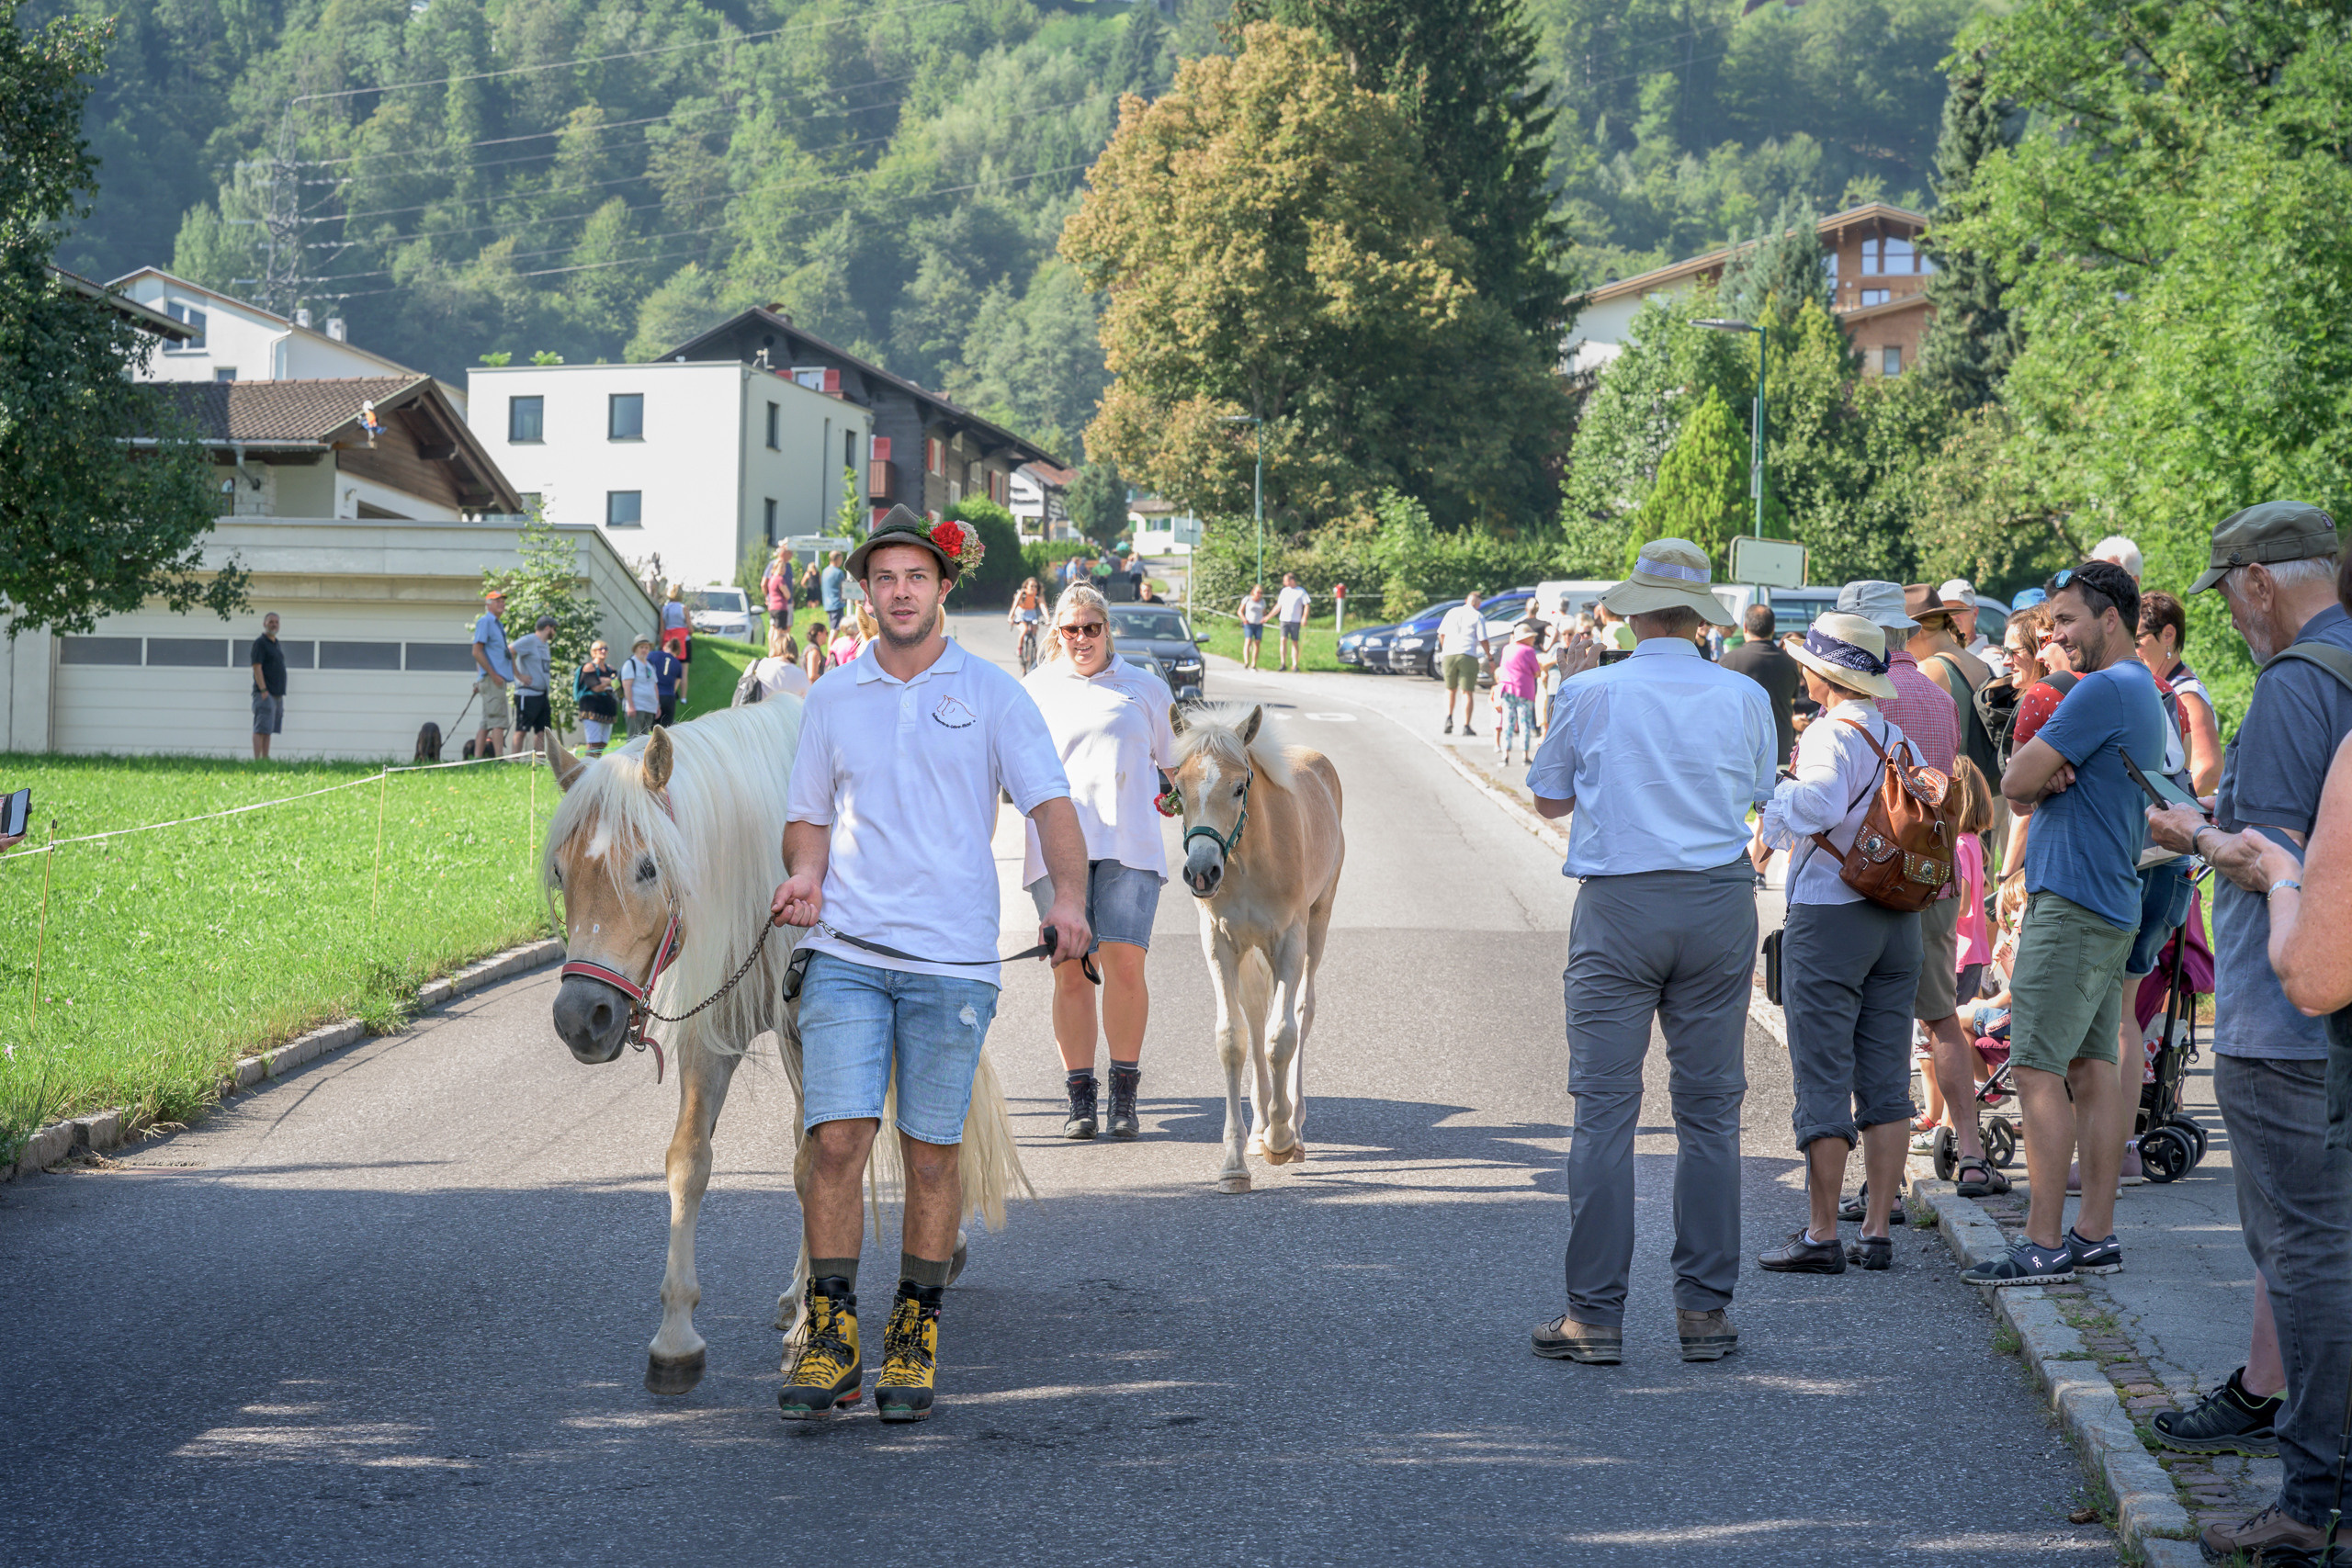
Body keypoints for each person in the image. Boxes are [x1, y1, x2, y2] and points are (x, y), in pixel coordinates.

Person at [769, 503, 1091, 1425]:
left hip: (952, 962)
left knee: (933, 1153)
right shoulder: (831, 695)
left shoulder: (992, 693)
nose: (899, 592)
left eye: (915, 578)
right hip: (846, 954)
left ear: (943, 588)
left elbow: (1050, 805)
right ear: (863, 593)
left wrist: (1067, 900)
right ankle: (829, 1341)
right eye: (883, 579)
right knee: (834, 1141)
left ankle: (913, 1340)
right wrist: (803, 875)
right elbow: (809, 817)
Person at [2141, 502, 2351, 1565]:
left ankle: (2311, 1499)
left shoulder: (2296, 685)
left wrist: (2192, 832)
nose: (2232, 619)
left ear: (2260, 582)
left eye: (2229, 598)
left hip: (2286, 1023)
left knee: (2306, 1260)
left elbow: (2273, 855)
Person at [1525, 538, 1776, 1367]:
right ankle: (1704, 1309)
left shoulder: (1592, 689)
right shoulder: (1743, 694)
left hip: (1621, 903)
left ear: (1632, 612)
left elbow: (1549, 794)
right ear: (1700, 615)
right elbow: (1763, 795)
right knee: (1711, 1114)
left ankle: (1593, 1315)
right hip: (1715, 899)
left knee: (1604, 1111)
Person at [1962, 559, 2167, 1288]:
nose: (2057, 635)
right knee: (2091, 1067)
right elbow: (2028, 785)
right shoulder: (2141, 688)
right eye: (2051, 624)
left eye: (2069, 620)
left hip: (2074, 897)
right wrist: (2043, 772)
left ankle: (2043, 1239)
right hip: (2109, 895)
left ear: (2112, 617)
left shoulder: (2101, 689)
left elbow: (2014, 782)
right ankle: (2093, 1233)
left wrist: (2038, 769)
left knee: (2038, 1067)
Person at [1749, 612, 1922, 1275]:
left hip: (1833, 912)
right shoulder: (1895, 736)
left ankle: (1822, 1232)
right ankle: (1876, 1227)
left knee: (1822, 1071)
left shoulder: (1827, 734)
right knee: (1885, 1074)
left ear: (1823, 674)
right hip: (1895, 916)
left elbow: (1817, 805)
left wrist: (1776, 805)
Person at [1023, 582, 1178, 1142]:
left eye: (1092, 627)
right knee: (1070, 972)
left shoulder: (1146, 688)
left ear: (1108, 629)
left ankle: (1125, 1097)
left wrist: (1188, 810)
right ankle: (1080, 1097)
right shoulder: (1033, 691)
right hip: (1052, 849)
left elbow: (1179, 765)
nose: (1082, 638)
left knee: (1124, 965)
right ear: (1055, 633)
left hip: (1130, 846)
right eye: (1071, 629)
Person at [1842, 581, 1978, 1195]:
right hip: (1933, 873)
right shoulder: (1936, 692)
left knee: (1875, 1026)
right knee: (1941, 1014)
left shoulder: (1858, 694)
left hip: (1872, 876)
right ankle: (1972, 1152)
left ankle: (1883, 1185)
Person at [2136, 591, 2224, 795]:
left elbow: (2209, 770)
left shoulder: (2186, 695)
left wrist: (2169, 811)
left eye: (2137, 641)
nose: (2132, 651)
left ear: (2168, 635)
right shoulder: (2166, 688)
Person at [1721, 604, 1802, 768]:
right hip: (1779, 749)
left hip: (1740, 751)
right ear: (1773, 628)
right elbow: (1793, 700)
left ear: (1744, 627)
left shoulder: (1728, 661)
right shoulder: (1789, 662)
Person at [1438, 589, 1490, 737]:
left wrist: (1446, 648)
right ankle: (1466, 725)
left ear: (1467, 600)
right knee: (1467, 691)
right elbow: (1483, 639)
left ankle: (1448, 717)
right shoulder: (1478, 616)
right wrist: (1489, 658)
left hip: (1449, 653)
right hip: (1467, 653)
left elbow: (1441, 634)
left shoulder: (1452, 612)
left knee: (1450, 689)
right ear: (1478, 603)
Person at [471, 589, 514, 759]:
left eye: (503, 600)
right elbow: (476, 651)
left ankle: (476, 759)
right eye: (497, 601)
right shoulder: (486, 621)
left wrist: (481, 678)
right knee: (498, 721)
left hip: (491, 679)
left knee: (486, 722)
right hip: (493, 679)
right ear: (488, 605)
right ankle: (499, 759)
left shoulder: (497, 624)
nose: (502, 603)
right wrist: (492, 675)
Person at [1494, 621, 1542, 763]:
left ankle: (1505, 755)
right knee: (1524, 723)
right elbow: (1537, 672)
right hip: (1524, 690)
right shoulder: (1529, 651)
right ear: (1525, 638)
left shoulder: (1507, 649)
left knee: (1508, 722)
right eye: (1531, 637)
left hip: (1507, 689)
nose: (1533, 639)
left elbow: (1502, 668)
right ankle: (1525, 755)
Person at [510, 615, 556, 756]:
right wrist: (518, 675)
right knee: (522, 730)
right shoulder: (529, 640)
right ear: (547, 628)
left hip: (542, 695)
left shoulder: (545, 644)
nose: (555, 633)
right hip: (527, 694)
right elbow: (509, 650)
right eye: (554, 629)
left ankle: (539, 762)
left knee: (542, 731)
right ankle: (515, 763)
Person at [249, 611, 286, 760]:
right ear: (265, 624)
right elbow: (257, 667)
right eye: (271, 621)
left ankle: (265, 759)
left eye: (276, 622)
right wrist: (263, 690)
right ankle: (257, 759)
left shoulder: (276, 644)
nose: (274, 624)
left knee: (268, 729)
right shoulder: (260, 643)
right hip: (265, 692)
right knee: (260, 728)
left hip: (277, 694)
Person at [743, 623, 809, 703]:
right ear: (794, 651)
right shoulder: (800, 674)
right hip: (785, 714)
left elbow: (743, 687)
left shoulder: (756, 665)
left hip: (755, 712)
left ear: (773, 648)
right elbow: (807, 700)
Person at [574, 640, 618, 757]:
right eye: (600, 649)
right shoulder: (589, 667)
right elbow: (596, 688)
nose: (603, 651)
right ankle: (586, 767)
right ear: (593, 652)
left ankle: (595, 766)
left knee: (603, 743)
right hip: (592, 708)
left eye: (605, 648)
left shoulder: (610, 669)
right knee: (593, 743)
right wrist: (609, 682)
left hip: (607, 708)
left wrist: (604, 682)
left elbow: (617, 685)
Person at [618, 635, 662, 740]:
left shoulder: (650, 665)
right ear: (636, 649)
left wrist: (657, 705)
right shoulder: (630, 664)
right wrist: (631, 706)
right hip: (636, 707)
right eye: (641, 647)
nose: (644, 650)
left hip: (650, 707)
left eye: (646, 647)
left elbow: (654, 686)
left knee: (646, 741)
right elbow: (627, 685)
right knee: (633, 739)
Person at [649, 637, 688, 727]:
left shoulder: (652, 655)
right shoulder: (678, 664)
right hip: (668, 698)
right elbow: (674, 688)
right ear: (677, 652)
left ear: (665, 647)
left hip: (652, 695)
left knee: (645, 727)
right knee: (666, 729)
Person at [1009, 577, 1046, 673]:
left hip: (1032, 614)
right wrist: (1010, 617)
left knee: (1034, 629)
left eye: (1035, 586)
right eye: (1031, 586)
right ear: (1026, 586)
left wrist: (1048, 619)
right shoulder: (1022, 593)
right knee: (1024, 629)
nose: (1033, 588)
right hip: (1021, 614)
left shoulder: (1038, 596)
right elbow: (1015, 605)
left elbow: (1043, 606)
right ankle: (1019, 650)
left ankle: (1033, 651)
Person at [1275, 573, 1310, 673]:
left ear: (1292, 580)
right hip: (1284, 619)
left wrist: (1304, 617)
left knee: (1295, 641)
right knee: (1283, 639)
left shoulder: (1301, 591)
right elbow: (1279, 605)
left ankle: (1295, 664)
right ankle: (1283, 663)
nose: (1284, 583)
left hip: (1295, 620)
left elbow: (1306, 605)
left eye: (1285, 580)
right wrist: (1268, 616)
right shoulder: (1284, 591)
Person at [763, 546, 795, 639]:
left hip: (783, 603)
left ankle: (779, 648)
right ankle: (777, 648)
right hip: (779, 604)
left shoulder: (788, 566)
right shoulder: (774, 566)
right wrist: (767, 597)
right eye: (790, 552)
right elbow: (763, 583)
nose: (792, 555)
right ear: (783, 553)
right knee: (778, 629)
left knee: (784, 627)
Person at [1238, 584, 1269, 670]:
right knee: (1248, 640)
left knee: (1257, 643)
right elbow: (1240, 611)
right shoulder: (1247, 599)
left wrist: (1264, 618)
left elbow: (1264, 612)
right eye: (1257, 592)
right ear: (1253, 592)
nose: (1259, 594)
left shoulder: (1262, 602)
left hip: (1258, 624)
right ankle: (1246, 661)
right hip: (1248, 623)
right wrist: (1244, 619)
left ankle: (1254, 663)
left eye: (1260, 593)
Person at [660, 583, 691, 663]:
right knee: (683, 670)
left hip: (668, 641)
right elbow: (690, 629)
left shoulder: (665, 609)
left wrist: (661, 645)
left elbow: (662, 629)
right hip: (683, 641)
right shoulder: (683, 608)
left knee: (667, 668)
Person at [821, 550, 849, 627]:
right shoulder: (838, 572)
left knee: (833, 626)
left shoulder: (825, 571)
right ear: (837, 559)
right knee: (836, 628)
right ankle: (831, 640)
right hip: (837, 603)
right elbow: (844, 587)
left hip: (827, 604)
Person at [802, 616, 831, 687]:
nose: (826, 637)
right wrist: (827, 680)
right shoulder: (814, 651)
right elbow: (812, 675)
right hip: (811, 689)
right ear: (819, 633)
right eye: (826, 633)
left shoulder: (811, 648)